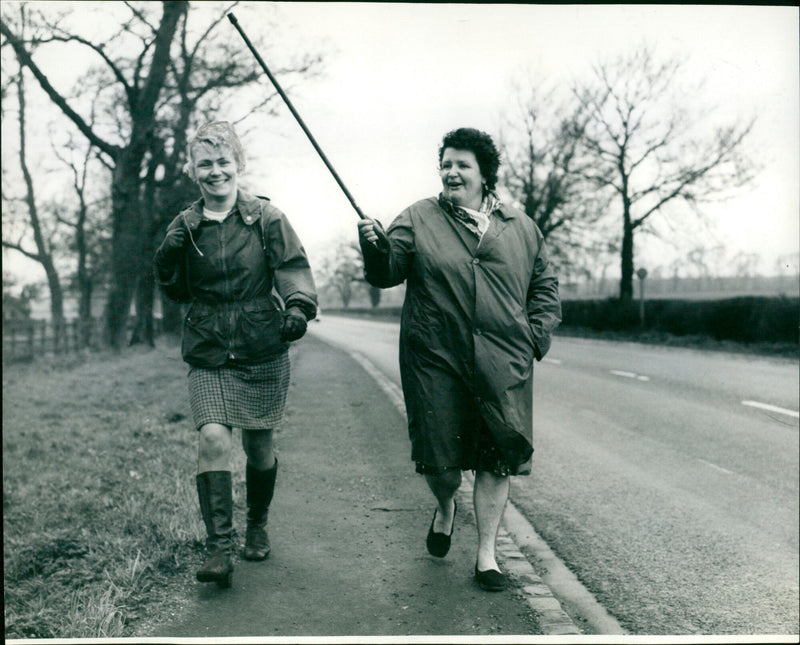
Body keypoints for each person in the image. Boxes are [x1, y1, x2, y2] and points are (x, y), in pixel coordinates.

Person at [357, 127, 561, 592]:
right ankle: (446, 505)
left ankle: (486, 556)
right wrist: (374, 245)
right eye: (445, 164)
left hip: (503, 363)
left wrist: (533, 337)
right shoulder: (419, 217)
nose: (451, 171)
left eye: (462, 164)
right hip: (436, 359)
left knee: (497, 460)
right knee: (442, 464)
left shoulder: (521, 227)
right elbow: (388, 270)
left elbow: (544, 288)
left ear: (484, 174)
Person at [154, 121, 317, 587]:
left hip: (261, 345)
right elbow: (177, 289)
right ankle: (218, 550)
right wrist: (167, 257)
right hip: (208, 349)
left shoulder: (267, 218)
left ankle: (258, 525)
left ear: (238, 165)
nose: (215, 171)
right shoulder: (184, 225)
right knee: (212, 438)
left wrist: (298, 308)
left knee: (259, 446)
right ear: (193, 170)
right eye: (205, 163)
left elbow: (292, 268)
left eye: (223, 162)